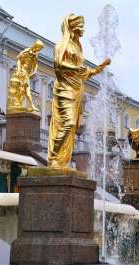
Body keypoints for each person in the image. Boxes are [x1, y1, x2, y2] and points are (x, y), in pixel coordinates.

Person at [48, 14, 110, 169]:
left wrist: (99, 68)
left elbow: (84, 74)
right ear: (72, 27)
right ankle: (54, 158)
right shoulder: (61, 45)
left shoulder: (78, 48)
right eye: (80, 26)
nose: (83, 29)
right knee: (68, 123)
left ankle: (63, 161)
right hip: (65, 88)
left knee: (73, 127)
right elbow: (58, 65)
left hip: (77, 89)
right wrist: (77, 68)